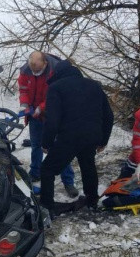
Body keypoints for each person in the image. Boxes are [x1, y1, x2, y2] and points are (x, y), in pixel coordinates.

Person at [40, 60, 114, 216]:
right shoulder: (94, 85)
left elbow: (52, 120)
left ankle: (46, 206)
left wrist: (46, 142)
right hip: (92, 136)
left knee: (47, 169)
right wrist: (103, 140)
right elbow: (109, 115)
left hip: (69, 136)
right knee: (88, 165)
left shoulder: (56, 88)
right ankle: (92, 199)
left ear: (58, 74)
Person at [18, 51, 78, 197]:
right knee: (35, 145)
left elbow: (56, 95)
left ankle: (68, 181)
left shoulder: (56, 72)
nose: (34, 72)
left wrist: (41, 108)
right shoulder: (26, 70)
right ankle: (35, 172)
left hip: (54, 115)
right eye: (32, 70)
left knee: (59, 148)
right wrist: (24, 104)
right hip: (34, 116)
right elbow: (23, 89)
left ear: (44, 63)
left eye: (37, 70)